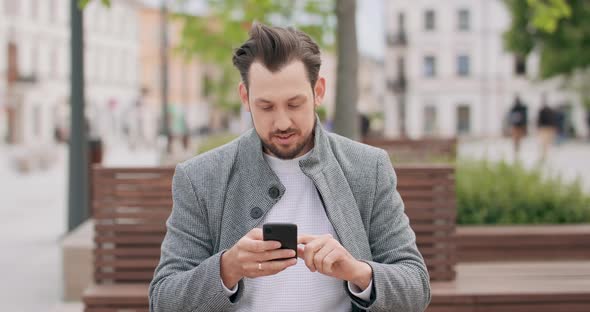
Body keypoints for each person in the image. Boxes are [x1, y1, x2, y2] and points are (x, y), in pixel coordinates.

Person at [149, 23, 430, 312]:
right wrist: (227, 268)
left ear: (318, 91)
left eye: (294, 104)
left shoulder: (368, 169)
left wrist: (357, 272)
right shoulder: (200, 178)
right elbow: (163, 300)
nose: (282, 122)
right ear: (245, 98)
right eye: (266, 107)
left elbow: (416, 287)